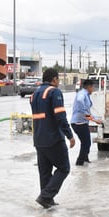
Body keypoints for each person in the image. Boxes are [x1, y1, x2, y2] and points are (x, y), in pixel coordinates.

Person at [30, 68, 75, 209]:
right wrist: (70, 135)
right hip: (53, 139)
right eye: (58, 79)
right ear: (54, 79)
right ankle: (45, 196)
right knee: (64, 168)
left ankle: (47, 202)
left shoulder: (34, 94)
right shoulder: (54, 92)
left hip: (38, 140)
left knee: (45, 172)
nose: (59, 82)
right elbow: (60, 117)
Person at [70, 79, 101, 166]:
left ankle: (85, 160)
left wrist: (95, 118)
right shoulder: (82, 94)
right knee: (86, 143)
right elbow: (82, 106)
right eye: (93, 87)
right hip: (78, 123)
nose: (93, 89)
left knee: (86, 142)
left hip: (82, 122)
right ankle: (79, 163)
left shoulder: (86, 95)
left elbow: (87, 112)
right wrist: (93, 119)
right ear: (89, 87)